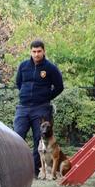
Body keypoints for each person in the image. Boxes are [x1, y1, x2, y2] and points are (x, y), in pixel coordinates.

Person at [14, 40, 65, 177]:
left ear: (43, 51)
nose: (36, 54)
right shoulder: (23, 66)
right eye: (34, 51)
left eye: (39, 51)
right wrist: (25, 95)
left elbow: (59, 87)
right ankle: (17, 169)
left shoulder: (50, 68)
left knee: (39, 140)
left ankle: (34, 171)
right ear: (30, 51)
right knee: (17, 136)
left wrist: (46, 97)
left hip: (41, 108)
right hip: (23, 107)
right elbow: (19, 83)